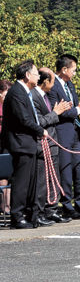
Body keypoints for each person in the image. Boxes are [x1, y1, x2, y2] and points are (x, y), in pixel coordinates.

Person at [47, 54, 80, 219]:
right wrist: (78, 110)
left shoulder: (69, 85)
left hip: (75, 133)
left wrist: (79, 109)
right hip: (62, 133)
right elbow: (58, 111)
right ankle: (67, 205)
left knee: (79, 169)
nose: (75, 73)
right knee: (66, 170)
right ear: (64, 69)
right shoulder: (53, 86)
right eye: (73, 70)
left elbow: (75, 106)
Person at [1, 60, 47, 228]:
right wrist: (41, 130)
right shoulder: (17, 92)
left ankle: (29, 214)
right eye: (36, 73)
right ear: (28, 75)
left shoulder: (25, 92)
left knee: (29, 182)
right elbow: (23, 119)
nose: (39, 76)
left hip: (28, 144)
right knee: (21, 182)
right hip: (20, 143)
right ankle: (17, 216)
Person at [32, 68, 72, 224]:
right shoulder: (34, 97)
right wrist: (56, 113)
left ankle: (52, 209)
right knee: (42, 180)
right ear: (46, 81)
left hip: (52, 143)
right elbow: (39, 122)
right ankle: (40, 212)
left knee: (54, 179)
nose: (54, 85)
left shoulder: (45, 96)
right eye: (53, 81)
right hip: (43, 143)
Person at [0, 79, 13, 216]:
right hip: (1, 142)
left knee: (9, 175)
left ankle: (9, 205)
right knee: (3, 176)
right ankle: (5, 206)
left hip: (9, 143)